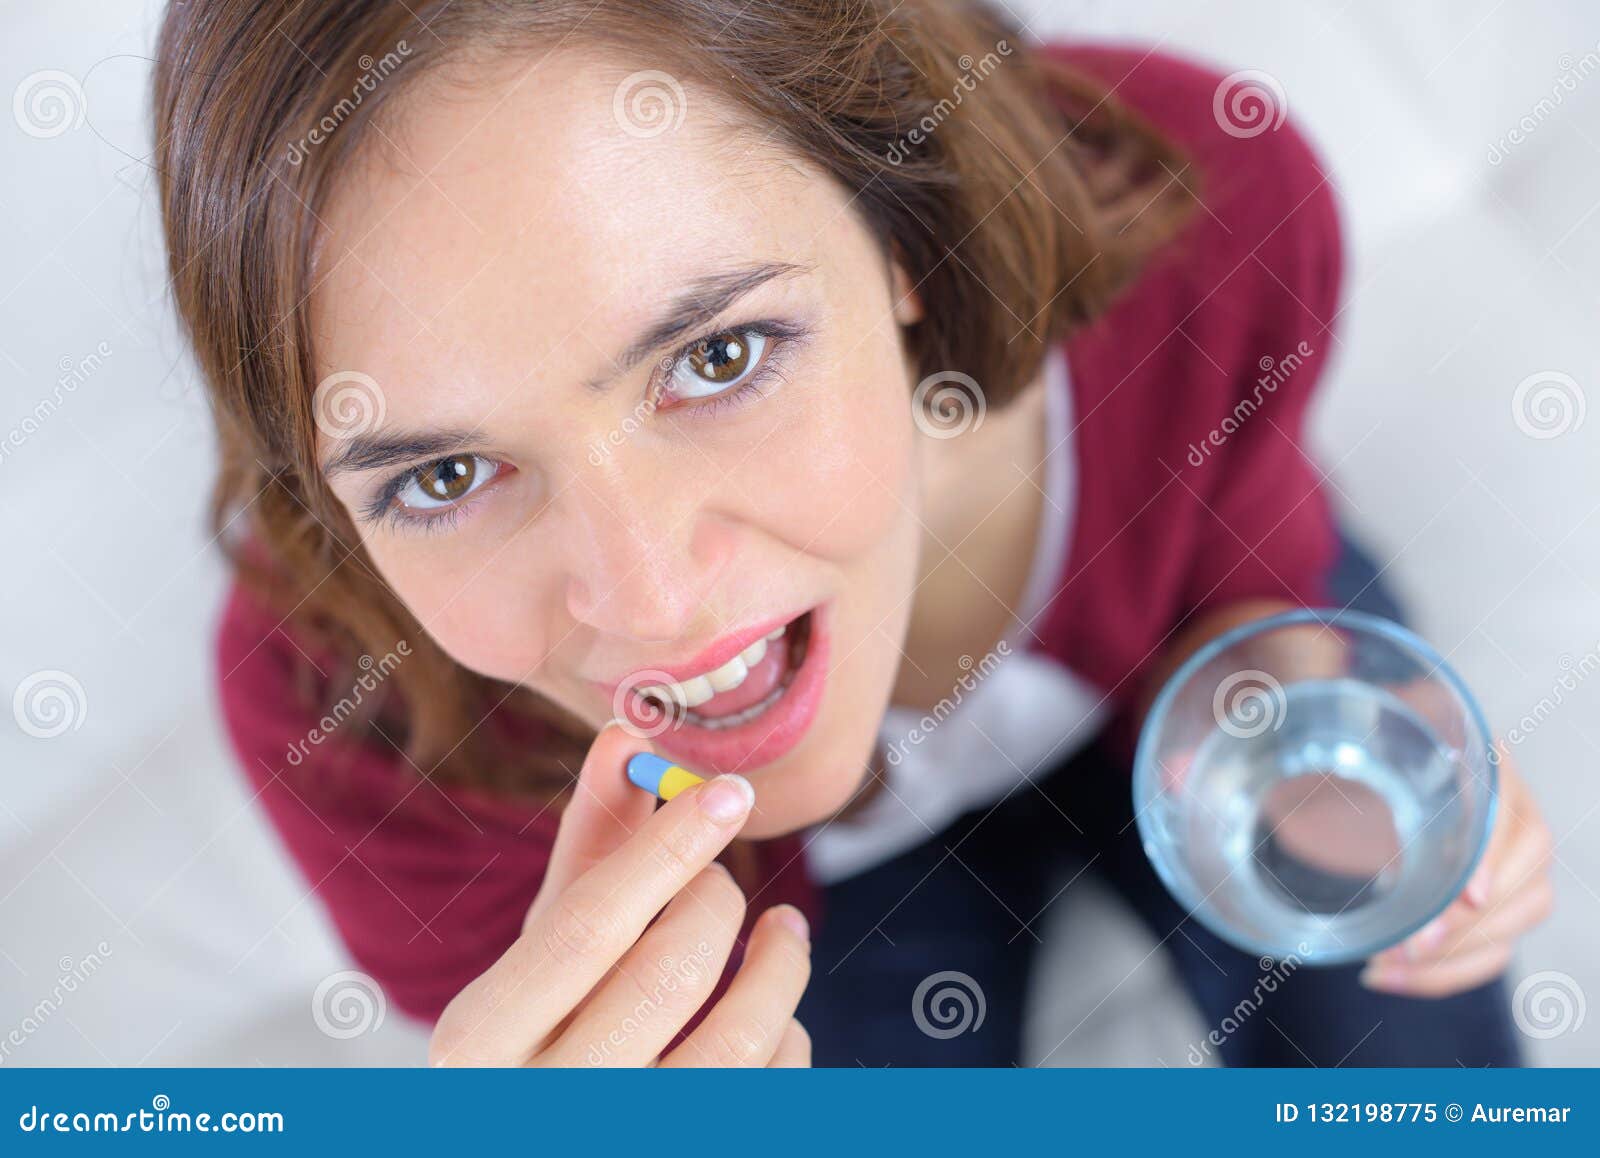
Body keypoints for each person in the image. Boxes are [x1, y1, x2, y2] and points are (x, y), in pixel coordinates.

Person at [152, 0, 1552, 1066]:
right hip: (837, 905)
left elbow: (1244, 557)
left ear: (896, 230)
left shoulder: (1205, 204)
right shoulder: (340, 719)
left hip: (1183, 652)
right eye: (447, 474)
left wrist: (1311, 714)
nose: (650, 603)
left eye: (717, 357)